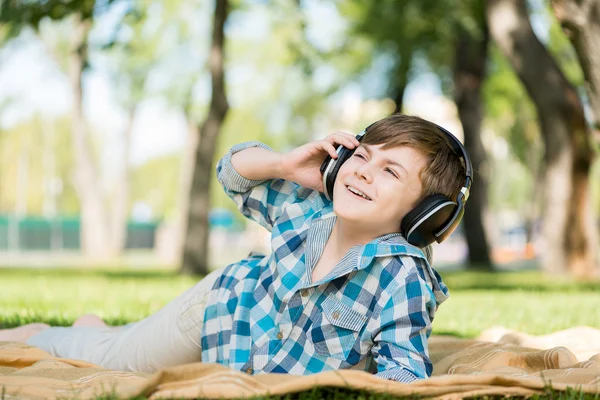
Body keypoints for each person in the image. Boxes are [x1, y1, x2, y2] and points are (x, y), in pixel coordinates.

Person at [0, 113, 469, 383]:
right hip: (214, 314)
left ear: (427, 214)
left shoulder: (402, 278)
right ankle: (43, 334)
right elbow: (233, 172)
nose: (365, 171)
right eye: (362, 155)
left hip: (243, 363)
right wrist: (285, 164)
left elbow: (405, 371)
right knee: (109, 358)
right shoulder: (309, 206)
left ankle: (103, 328)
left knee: (125, 343)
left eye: (391, 172)